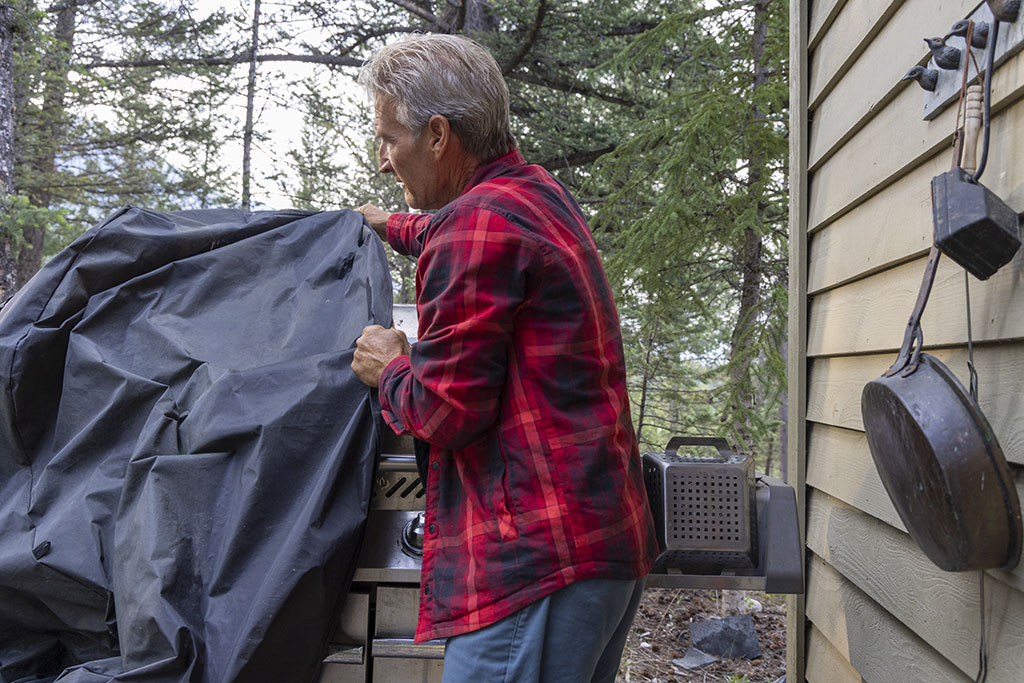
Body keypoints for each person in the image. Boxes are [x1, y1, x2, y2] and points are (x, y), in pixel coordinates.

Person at [350, 34, 659, 683]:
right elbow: (454, 224)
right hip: (596, 548)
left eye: (390, 139)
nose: (384, 160)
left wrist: (390, 366)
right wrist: (388, 224)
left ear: (437, 135)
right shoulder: (531, 192)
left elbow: (444, 410)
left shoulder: (475, 228)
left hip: (534, 567)